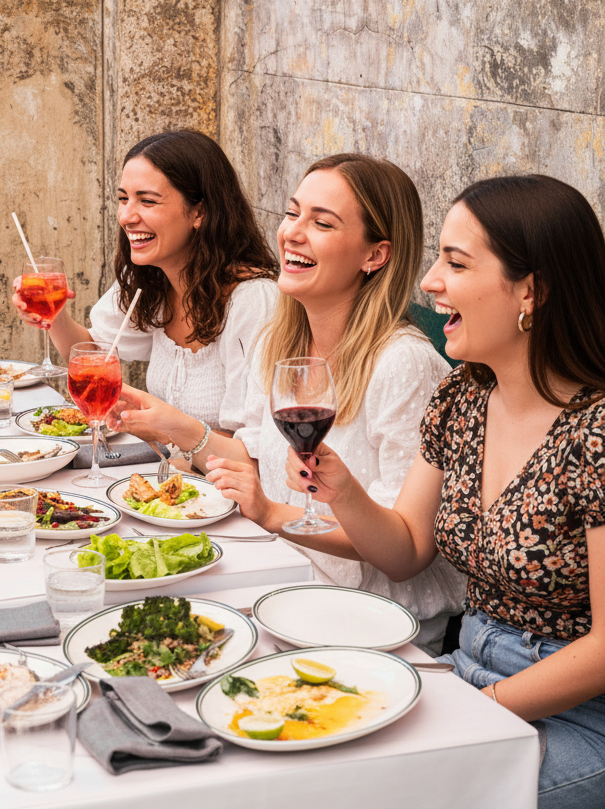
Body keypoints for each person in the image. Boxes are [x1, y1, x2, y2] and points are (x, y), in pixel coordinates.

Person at [275, 174, 605, 807]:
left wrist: (478, 708)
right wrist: (341, 489)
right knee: (308, 754)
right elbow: (405, 549)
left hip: (576, 710)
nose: (428, 282)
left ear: (529, 291)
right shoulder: (464, 395)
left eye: (455, 263)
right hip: (468, 666)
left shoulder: (595, 432)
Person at [113, 153, 465, 651]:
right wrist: (166, 426)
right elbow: (256, 460)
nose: (292, 233)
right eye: (292, 213)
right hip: (283, 583)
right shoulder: (283, 343)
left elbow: (401, 552)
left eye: (321, 223)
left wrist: (272, 513)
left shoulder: (403, 365)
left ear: (375, 255)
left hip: (373, 624)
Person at [14, 129, 280, 439]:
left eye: (148, 201)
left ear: (200, 212)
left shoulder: (253, 301)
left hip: (217, 485)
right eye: (123, 199)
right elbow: (97, 353)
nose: (126, 216)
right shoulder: (151, 279)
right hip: (166, 477)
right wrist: (54, 314)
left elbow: (258, 449)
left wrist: (160, 430)